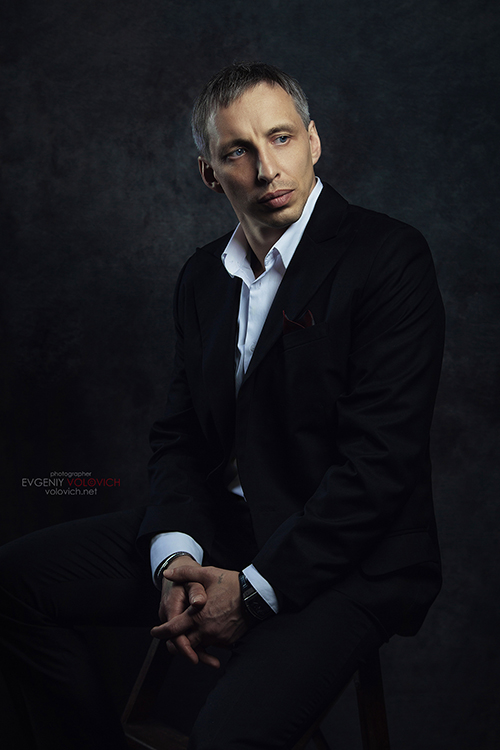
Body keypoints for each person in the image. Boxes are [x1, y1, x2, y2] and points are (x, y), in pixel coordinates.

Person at [0, 62, 445, 749]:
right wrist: (173, 555)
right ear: (210, 173)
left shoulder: (389, 257)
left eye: (281, 138)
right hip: (225, 531)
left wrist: (255, 590)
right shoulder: (202, 278)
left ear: (314, 141)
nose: (267, 169)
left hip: (349, 560)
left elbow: (379, 468)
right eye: (238, 150)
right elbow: (180, 437)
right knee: (13, 584)